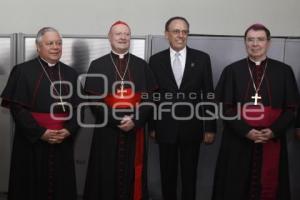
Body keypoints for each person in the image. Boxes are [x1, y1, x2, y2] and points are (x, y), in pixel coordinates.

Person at [213, 24, 299, 200]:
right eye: (250, 40)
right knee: (234, 185)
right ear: (245, 42)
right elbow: (223, 106)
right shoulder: (232, 71)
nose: (255, 44)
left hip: (272, 138)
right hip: (238, 140)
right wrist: (246, 131)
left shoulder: (283, 71)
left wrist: (274, 130)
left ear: (268, 42)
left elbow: (292, 108)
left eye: (260, 39)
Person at [1, 27, 81, 200]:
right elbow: (17, 108)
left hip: (62, 140)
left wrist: (68, 130)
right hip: (32, 142)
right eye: (50, 43)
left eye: (59, 43)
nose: (55, 47)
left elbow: (78, 109)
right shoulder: (22, 71)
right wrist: (40, 133)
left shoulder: (71, 73)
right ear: (38, 47)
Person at [83, 21, 156, 200]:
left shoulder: (142, 65)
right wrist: (116, 120)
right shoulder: (97, 65)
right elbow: (94, 100)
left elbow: (150, 98)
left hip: (134, 130)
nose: (123, 37)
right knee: (105, 171)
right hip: (107, 130)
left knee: (133, 172)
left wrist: (136, 120)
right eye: (118, 34)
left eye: (127, 34)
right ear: (110, 37)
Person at [148, 16, 216, 200]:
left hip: (192, 128)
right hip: (165, 128)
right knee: (167, 176)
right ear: (166, 34)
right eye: (176, 31)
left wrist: (209, 127)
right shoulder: (155, 60)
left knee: (190, 176)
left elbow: (208, 95)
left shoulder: (202, 59)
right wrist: (153, 127)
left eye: (184, 31)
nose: (181, 35)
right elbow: (153, 97)